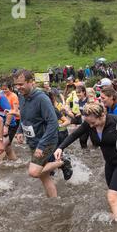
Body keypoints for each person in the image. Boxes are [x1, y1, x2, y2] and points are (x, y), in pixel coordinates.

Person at [55, 103, 117, 222]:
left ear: (102, 115)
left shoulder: (116, 121)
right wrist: (60, 148)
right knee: (116, 194)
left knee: (112, 198)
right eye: (89, 123)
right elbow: (74, 135)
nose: (91, 126)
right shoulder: (89, 123)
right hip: (110, 163)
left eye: (93, 123)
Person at [13, 70, 73, 198]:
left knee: (34, 172)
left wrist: (41, 145)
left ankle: (62, 161)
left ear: (31, 82)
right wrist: (19, 131)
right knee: (44, 177)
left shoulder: (42, 98)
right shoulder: (21, 96)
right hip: (33, 141)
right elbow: (23, 117)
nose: (18, 87)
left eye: (21, 84)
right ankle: (54, 201)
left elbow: (53, 123)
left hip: (46, 140)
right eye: (16, 85)